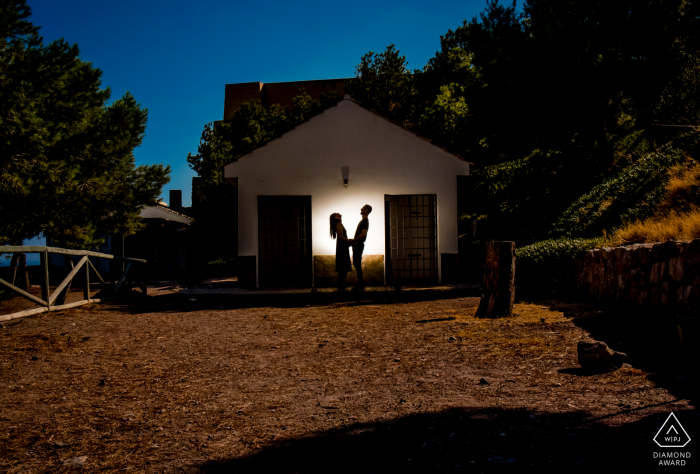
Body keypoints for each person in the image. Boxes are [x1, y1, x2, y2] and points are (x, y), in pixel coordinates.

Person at [329, 212, 354, 292]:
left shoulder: (338, 224)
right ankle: (341, 285)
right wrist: (350, 241)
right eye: (337, 213)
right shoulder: (339, 224)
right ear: (335, 217)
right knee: (344, 267)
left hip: (341, 246)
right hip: (343, 247)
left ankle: (341, 285)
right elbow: (341, 237)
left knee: (342, 268)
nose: (339, 213)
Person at [351, 204, 372, 291]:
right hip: (358, 245)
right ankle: (360, 285)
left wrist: (354, 240)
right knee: (357, 264)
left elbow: (363, 235)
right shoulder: (364, 221)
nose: (361, 208)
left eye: (363, 208)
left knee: (357, 265)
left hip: (358, 245)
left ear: (366, 210)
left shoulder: (365, 221)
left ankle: (360, 285)